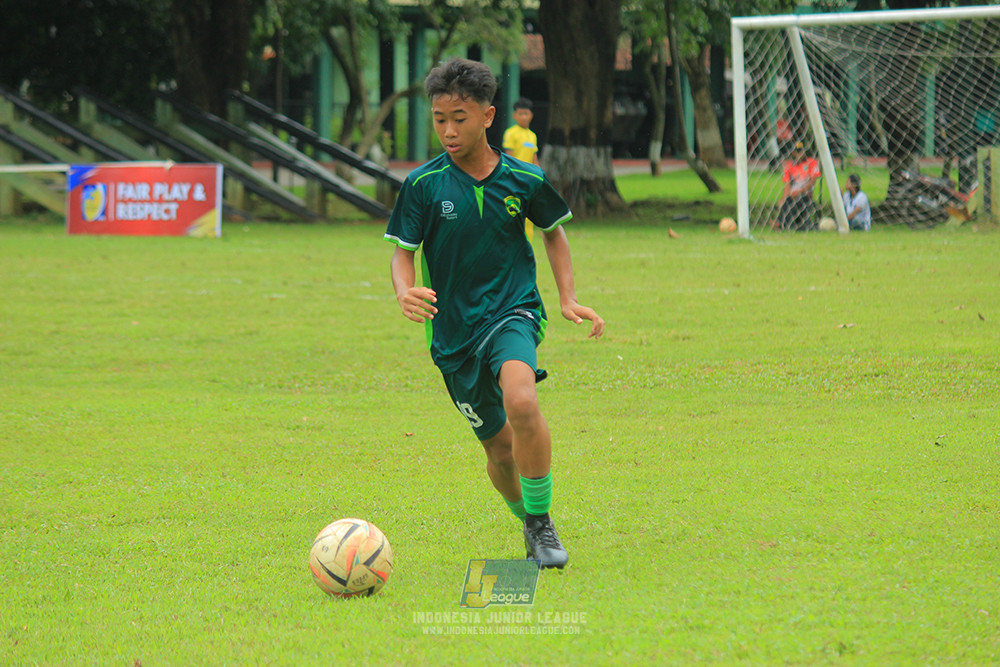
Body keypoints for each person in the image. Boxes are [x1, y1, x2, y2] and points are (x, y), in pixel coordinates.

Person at [384, 58, 605, 569]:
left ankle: (541, 522)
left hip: (512, 312)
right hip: (453, 336)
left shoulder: (524, 179)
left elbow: (554, 231)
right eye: (439, 118)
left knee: (522, 401)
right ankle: (527, 522)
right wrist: (404, 290)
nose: (448, 130)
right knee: (500, 453)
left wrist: (567, 297)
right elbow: (402, 251)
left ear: (487, 116)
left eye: (459, 117)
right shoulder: (423, 184)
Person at [502, 97, 541, 239]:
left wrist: (540, 177)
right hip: (515, 181)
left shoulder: (532, 136)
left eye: (526, 113)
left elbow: (534, 159)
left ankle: (528, 247)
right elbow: (509, 158)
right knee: (514, 215)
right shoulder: (511, 133)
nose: (523, 117)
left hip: (528, 182)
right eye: (520, 113)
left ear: (531, 115)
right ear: (514, 115)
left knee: (529, 218)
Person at [777, 141, 821, 231]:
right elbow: (787, 184)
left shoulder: (811, 163)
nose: (801, 154)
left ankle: (782, 224)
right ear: (793, 153)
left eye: (802, 151)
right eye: (798, 152)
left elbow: (812, 181)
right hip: (793, 195)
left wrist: (800, 191)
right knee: (787, 201)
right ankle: (781, 223)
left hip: (805, 194)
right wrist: (784, 197)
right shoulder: (789, 165)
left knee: (797, 201)